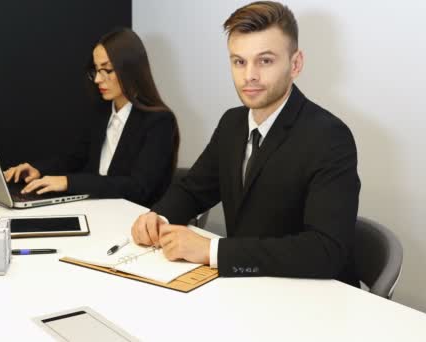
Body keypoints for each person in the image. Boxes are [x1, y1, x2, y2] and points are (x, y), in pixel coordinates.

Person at [131, 1, 361, 286]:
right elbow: (194, 190)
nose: (249, 75)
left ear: (296, 63)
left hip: (312, 299)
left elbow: (325, 251)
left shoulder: (329, 137)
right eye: (239, 61)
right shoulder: (232, 123)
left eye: (265, 60)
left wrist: (211, 250)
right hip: (246, 291)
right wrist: (158, 217)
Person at [4, 28, 179, 208]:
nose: (97, 79)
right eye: (96, 70)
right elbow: (75, 159)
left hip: (132, 217)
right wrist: (38, 170)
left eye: (107, 70)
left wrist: (68, 182)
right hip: (94, 208)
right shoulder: (101, 112)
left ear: (131, 69)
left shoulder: (159, 121)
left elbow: (139, 188)